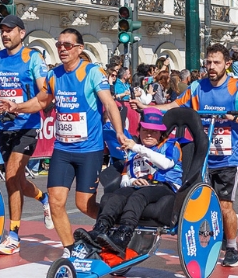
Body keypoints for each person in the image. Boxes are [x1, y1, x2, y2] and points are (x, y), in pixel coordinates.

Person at [31, 28, 130, 256]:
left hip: (89, 150)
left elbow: (110, 104)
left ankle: (117, 225)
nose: (62, 49)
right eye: (59, 45)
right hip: (62, 149)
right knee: (56, 202)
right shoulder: (53, 75)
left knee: (85, 205)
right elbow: (40, 102)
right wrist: (15, 107)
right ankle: (70, 249)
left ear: (79, 49)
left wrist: (119, 133)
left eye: (67, 45)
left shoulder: (93, 72)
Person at [166, 44, 238, 267]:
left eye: (216, 62)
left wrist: (233, 118)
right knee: (198, 199)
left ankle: (232, 248)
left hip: (229, 156)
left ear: (227, 64)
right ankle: (217, 229)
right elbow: (175, 106)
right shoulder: (197, 87)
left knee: (225, 205)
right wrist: (146, 106)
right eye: (208, 62)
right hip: (202, 154)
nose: (211, 67)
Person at [0, 14, 53, 254]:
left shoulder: (33, 58)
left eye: (9, 30)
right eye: (2, 31)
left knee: (10, 177)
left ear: (21, 33)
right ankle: (43, 198)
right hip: (4, 127)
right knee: (15, 181)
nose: (5, 35)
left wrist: (18, 107)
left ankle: (14, 235)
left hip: (27, 126)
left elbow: (44, 95)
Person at [74, 106, 183, 255]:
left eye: (154, 131)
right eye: (146, 130)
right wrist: (132, 182)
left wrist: (137, 148)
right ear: (140, 130)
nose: (149, 134)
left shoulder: (171, 145)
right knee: (118, 194)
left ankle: (123, 235)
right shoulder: (133, 152)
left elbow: (166, 164)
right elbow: (124, 179)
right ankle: (100, 229)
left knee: (139, 196)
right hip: (139, 187)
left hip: (165, 187)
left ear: (161, 133)